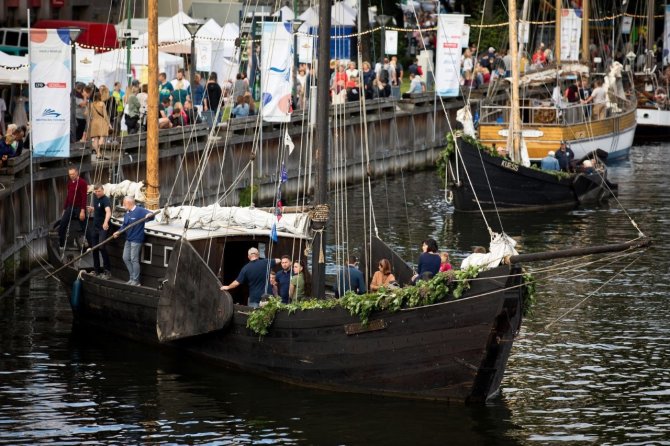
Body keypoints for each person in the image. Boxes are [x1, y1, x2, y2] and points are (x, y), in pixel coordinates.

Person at [113, 196, 154, 286]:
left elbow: (151, 216)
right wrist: (118, 232)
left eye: (124, 203)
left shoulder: (139, 210)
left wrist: (149, 215)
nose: (123, 205)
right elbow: (124, 225)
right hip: (129, 239)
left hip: (136, 239)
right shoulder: (127, 212)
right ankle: (132, 278)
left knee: (134, 259)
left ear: (129, 203)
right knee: (125, 258)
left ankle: (136, 281)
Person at [58, 166, 88, 249]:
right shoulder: (70, 183)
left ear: (77, 173)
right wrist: (64, 209)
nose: (71, 176)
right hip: (70, 207)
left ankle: (90, 244)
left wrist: (82, 210)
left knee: (84, 225)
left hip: (79, 207)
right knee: (62, 224)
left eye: (73, 174)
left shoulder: (82, 183)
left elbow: (84, 197)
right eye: (70, 174)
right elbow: (68, 197)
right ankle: (61, 245)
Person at [86, 184, 112, 279]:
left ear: (103, 190)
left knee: (102, 247)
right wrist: (93, 209)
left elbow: (108, 212)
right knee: (94, 249)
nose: (97, 193)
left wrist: (105, 223)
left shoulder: (105, 200)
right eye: (96, 191)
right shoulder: (95, 197)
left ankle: (107, 271)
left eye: (99, 191)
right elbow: (98, 209)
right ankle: (96, 271)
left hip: (103, 228)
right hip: (95, 227)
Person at [88, 92, 111, 159]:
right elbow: (105, 115)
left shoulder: (91, 105)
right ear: (100, 96)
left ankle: (98, 154)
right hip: (101, 121)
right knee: (102, 137)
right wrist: (109, 124)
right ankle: (100, 151)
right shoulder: (102, 103)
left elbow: (87, 114)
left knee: (95, 139)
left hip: (94, 122)